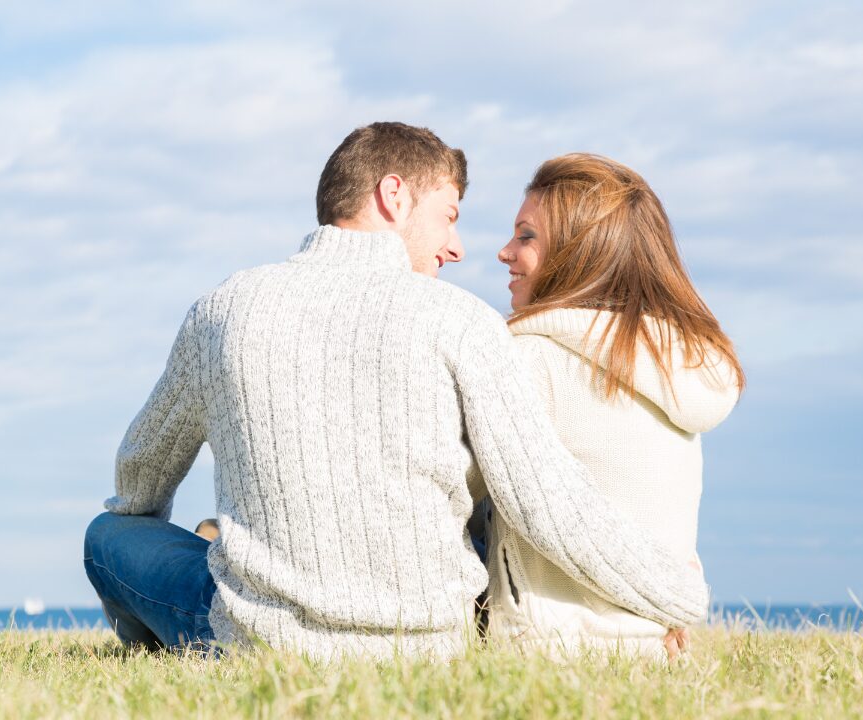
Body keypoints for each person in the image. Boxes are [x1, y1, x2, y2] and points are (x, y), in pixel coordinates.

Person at [83, 123, 709, 661]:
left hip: (262, 640)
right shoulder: (463, 321)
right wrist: (676, 596)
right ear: (393, 196)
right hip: (429, 644)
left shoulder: (222, 309)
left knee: (109, 535)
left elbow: (140, 478)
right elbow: (546, 504)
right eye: (450, 215)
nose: (458, 246)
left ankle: (163, 649)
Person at [487, 153, 743, 659]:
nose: (504, 251)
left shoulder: (527, 358)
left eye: (527, 236)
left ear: (578, 252)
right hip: (657, 649)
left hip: (545, 651)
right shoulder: (676, 363)